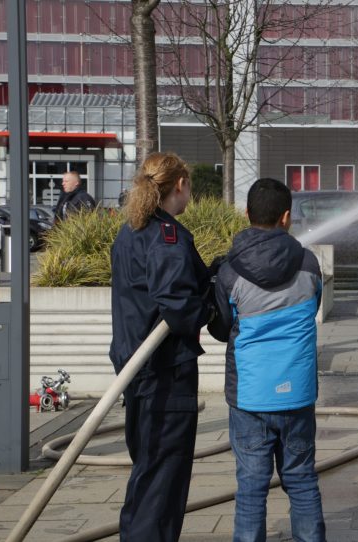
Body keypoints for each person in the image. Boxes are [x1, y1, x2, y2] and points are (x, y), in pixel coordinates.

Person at [208, 178, 326, 542]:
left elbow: (221, 328)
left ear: (247, 214)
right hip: (297, 394)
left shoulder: (229, 271)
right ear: (287, 217)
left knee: (251, 489)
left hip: (250, 396)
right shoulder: (309, 263)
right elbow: (313, 308)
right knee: (303, 480)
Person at [109, 152, 212, 541]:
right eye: (190, 187)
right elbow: (179, 306)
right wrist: (208, 305)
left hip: (137, 370)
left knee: (149, 470)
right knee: (163, 479)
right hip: (166, 374)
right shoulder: (166, 236)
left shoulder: (130, 231)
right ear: (179, 185)